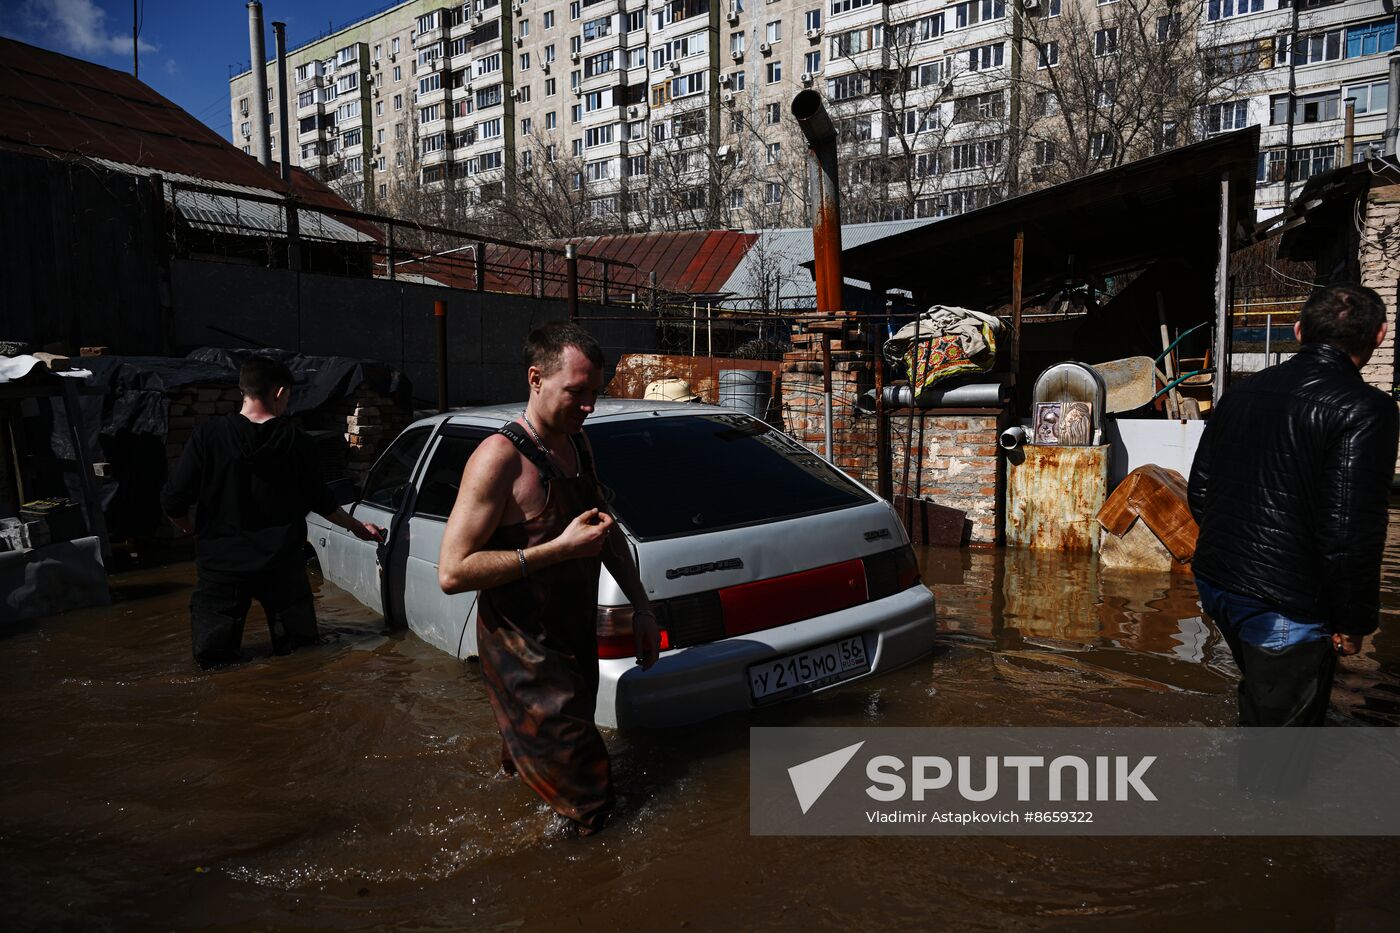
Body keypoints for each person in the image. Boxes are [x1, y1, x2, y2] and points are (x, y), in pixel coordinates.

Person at [437, 321, 660, 835]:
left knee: (540, 772)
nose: (589, 406)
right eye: (576, 392)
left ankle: (523, 835)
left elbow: (605, 532)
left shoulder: (578, 444)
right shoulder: (498, 459)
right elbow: (452, 572)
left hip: (570, 642)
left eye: (594, 394)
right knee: (594, 802)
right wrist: (557, 549)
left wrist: (643, 607)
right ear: (536, 379)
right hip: (523, 656)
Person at [1189, 284, 1398, 726]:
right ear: (1380, 335)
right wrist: (1354, 620)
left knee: (1264, 702)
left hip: (1219, 583)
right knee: (1280, 760)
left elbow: (1201, 492)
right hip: (1286, 601)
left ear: (1299, 330)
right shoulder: (1366, 408)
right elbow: (1349, 531)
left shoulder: (1241, 394)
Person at [162, 355, 383, 669]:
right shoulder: (299, 443)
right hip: (281, 567)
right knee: (301, 657)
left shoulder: (208, 437)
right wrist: (358, 527)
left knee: (214, 665)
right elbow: (323, 503)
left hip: (221, 567)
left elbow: (173, 500)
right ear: (280, 393)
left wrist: (192, 529)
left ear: (244, 391)